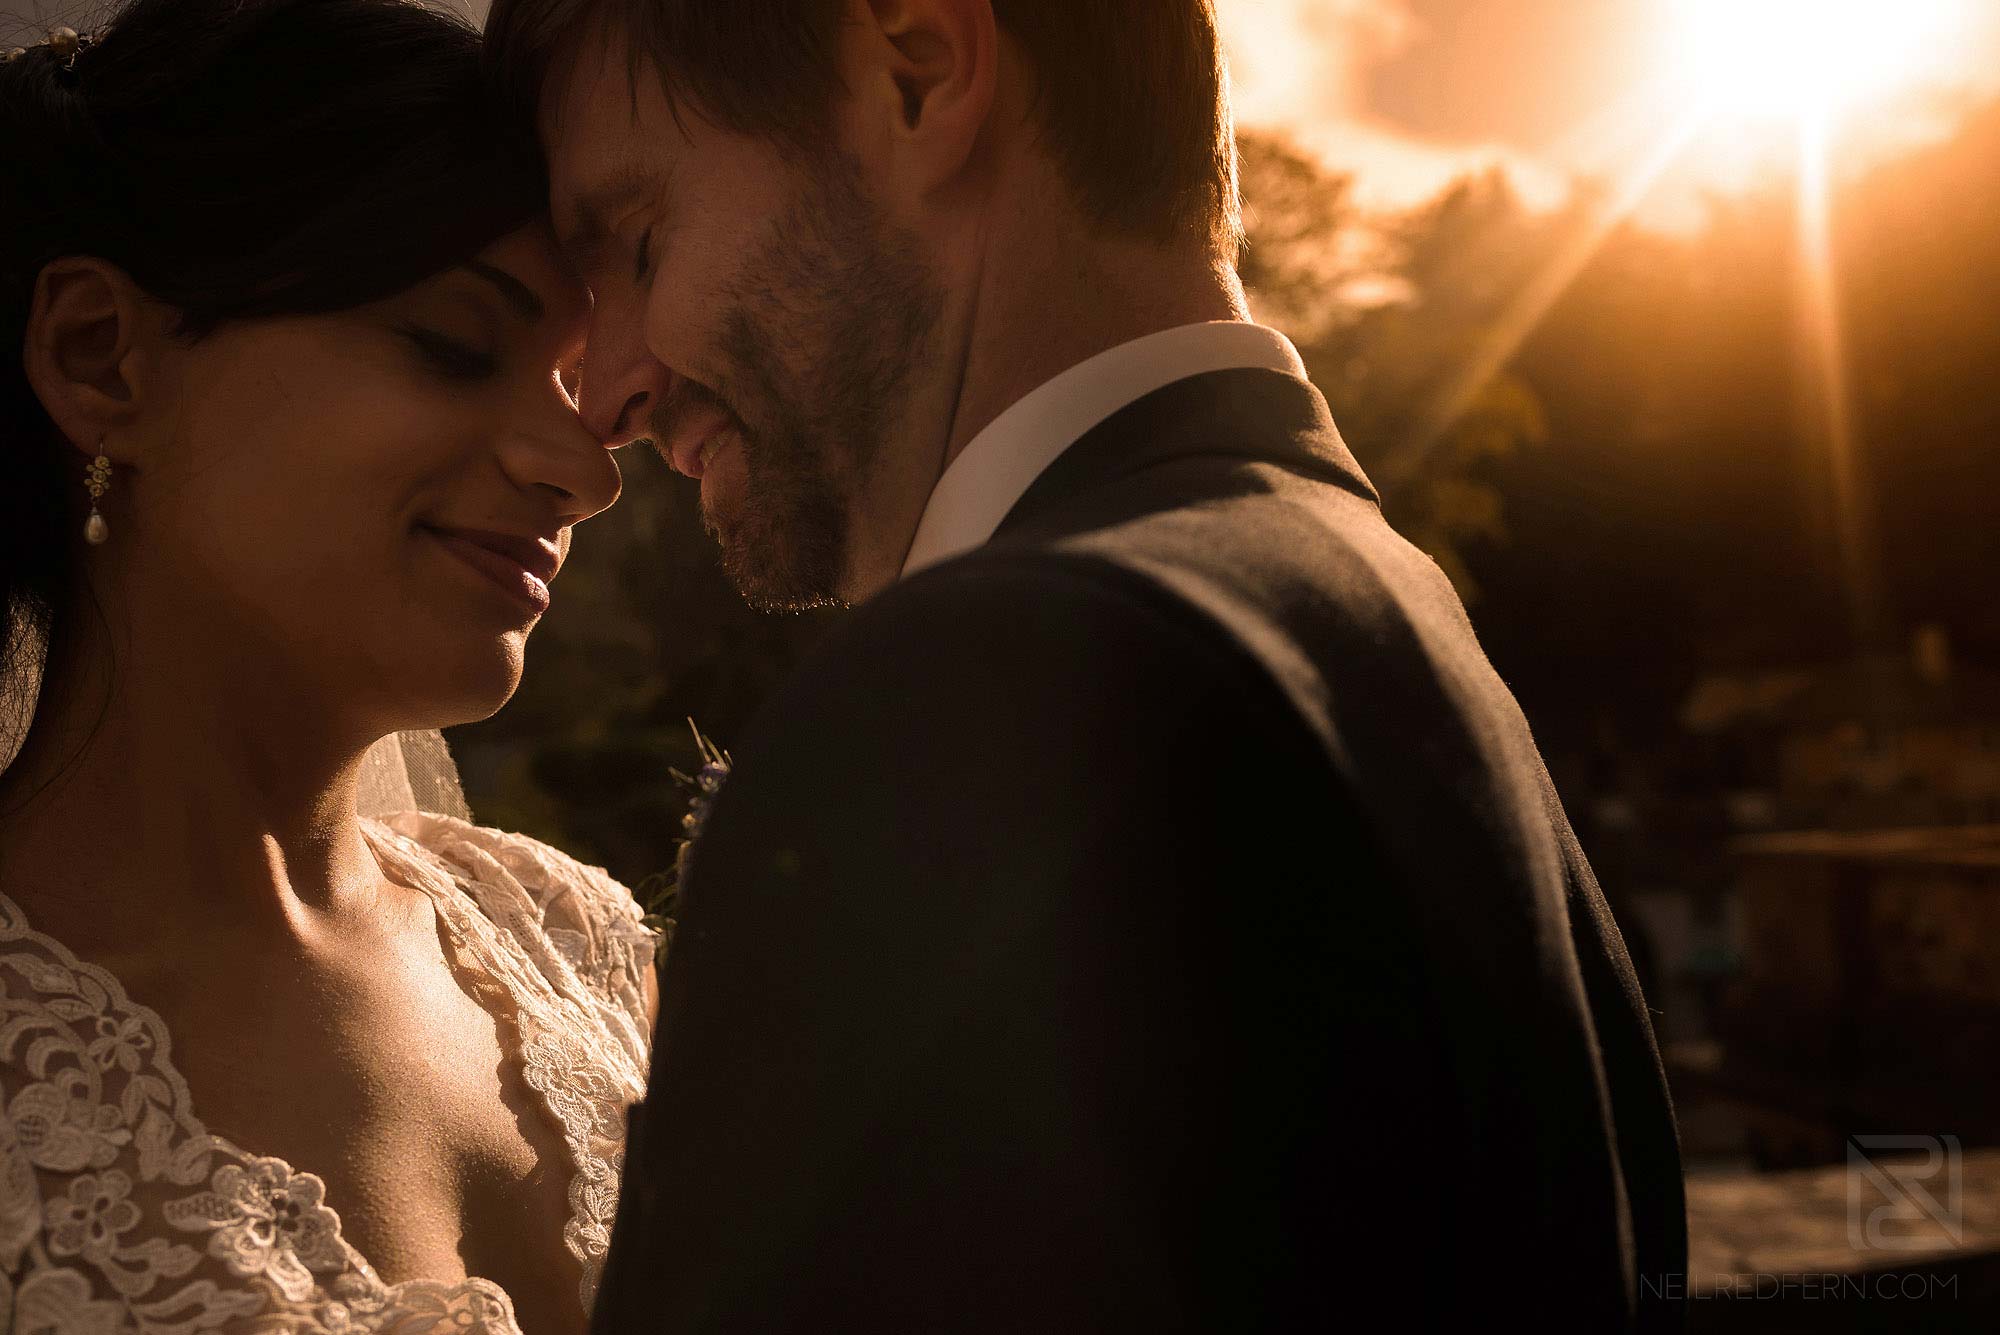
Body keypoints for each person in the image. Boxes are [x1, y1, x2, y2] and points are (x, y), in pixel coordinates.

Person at [490, 0, 1690, 1329]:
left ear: (919, 70)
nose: (602, 393)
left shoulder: (983, 699)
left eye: (642, 242)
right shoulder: (1388, 611)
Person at [0, 3, 656, 1332]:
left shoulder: (576, 948)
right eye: (455, 347)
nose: (585, 474)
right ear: (101, 357)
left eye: (582, 389)